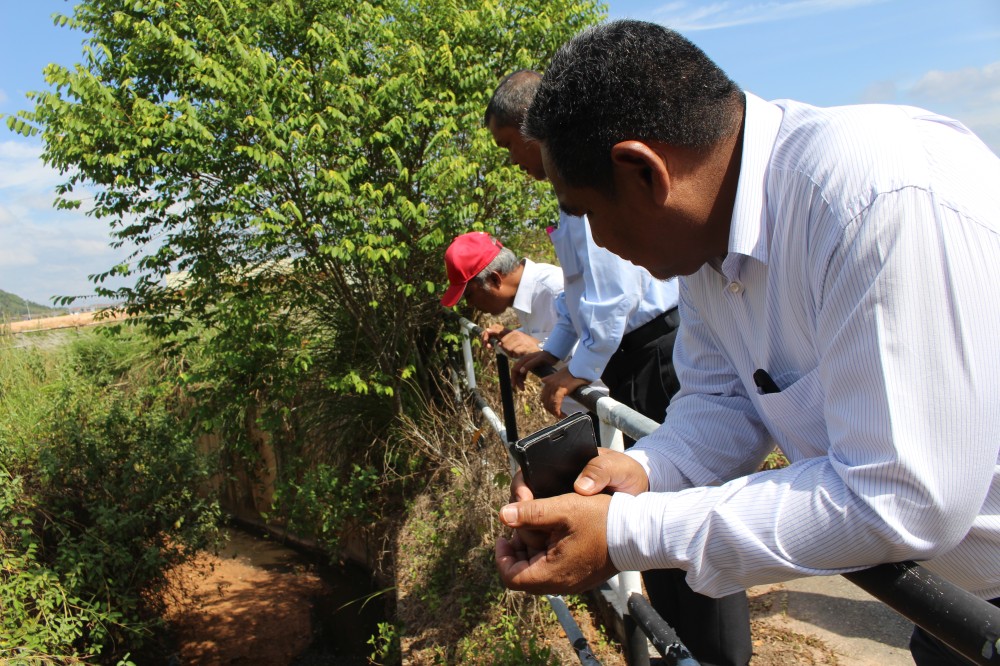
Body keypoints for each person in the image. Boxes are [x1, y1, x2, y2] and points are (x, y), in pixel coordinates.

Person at [494, 19, 1000, 666]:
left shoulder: (874, 203)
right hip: (948, 615)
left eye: (588, 213)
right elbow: (723, 399)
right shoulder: (710, 245)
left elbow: (900, 498)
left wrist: (624, 533)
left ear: (644, 172)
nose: (598, 244)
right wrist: (647, 471)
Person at [487, 70, 752, 666]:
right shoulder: (574, 207)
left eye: (511, 146)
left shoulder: (591, 199)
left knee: (686, 502)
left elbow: (609, 304)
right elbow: (583, 303)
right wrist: (555, 357)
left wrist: (575, 370)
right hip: (640, 357)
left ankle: (713, 652)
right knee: (657, 491)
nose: (513, 163)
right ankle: (676, 641)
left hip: (656, 354)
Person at [440, 231, 562, 358]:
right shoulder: (521, 293)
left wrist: (541, 348)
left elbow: (583, 351)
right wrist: (512, 336)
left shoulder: (556, 290)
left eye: (469, 294)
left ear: (495, 279)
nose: (470, 304)